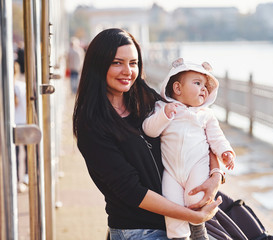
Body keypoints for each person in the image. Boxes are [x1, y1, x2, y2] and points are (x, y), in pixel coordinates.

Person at [72, 28, 223, 240]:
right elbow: (132, 191)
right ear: (98, 64)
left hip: (178, 222)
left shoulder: (146, 99)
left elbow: (199, 132)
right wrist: (192, 216)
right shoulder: (92, 125)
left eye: (133, 63)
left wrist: (216, 175)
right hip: (139, 230)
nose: (127, 71)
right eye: (117, 62)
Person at [142, 58, 235, 240]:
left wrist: (226, 152)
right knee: (172, 207)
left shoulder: (205, 115)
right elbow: (149, 130)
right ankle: (179, 237)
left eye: (205, 86)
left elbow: (216, 137)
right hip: (171, 172)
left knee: (196, 198)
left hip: (197, 166)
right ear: (177, 88)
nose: (203, 89)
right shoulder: (163, 108)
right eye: (197, 83)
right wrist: (164, 115)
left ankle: (199, 232)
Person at [13, 60, 28, 192]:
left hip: (13, 125)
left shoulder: (8, 88)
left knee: (16, 156)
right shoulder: (22, 86)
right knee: (28, 153)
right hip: (24, 123)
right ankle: (27, 176)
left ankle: (17, 180)